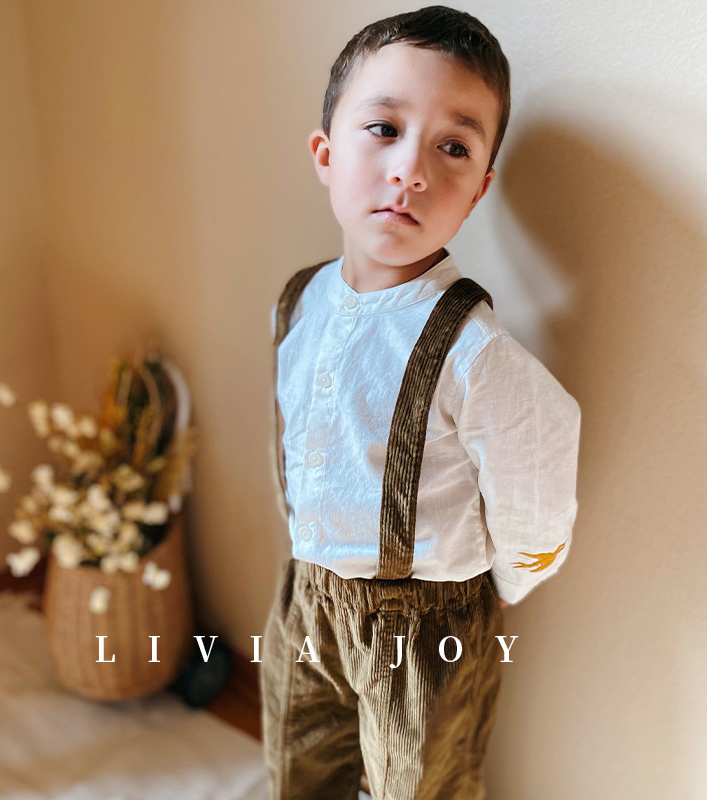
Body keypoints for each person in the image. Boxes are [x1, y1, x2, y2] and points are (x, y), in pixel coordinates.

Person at [260, 6, 581, 799]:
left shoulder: (475, 353)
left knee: (422, 783)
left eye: (453, 147)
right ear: (326, 154)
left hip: (427, 626)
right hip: (306, 596)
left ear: (477, 191)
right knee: (300, 761)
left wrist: (493, 593)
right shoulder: (297, 303)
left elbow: (536, 499)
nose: (410, 170)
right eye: (383, 129)